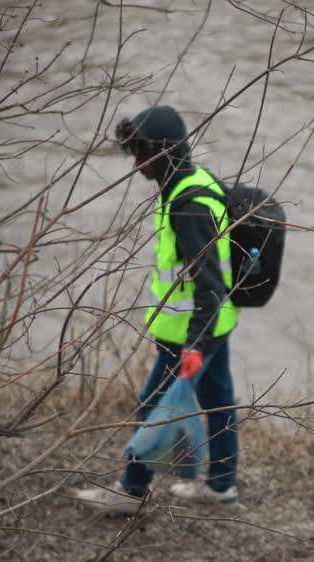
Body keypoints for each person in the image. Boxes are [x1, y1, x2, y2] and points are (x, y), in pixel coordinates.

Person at [73, 105, 241, 514]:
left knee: (152, 406)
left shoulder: (188, 205)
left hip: (189, 332)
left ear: (164, 152)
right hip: (213, 324)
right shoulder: (194, 182)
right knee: (218, 401)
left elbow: (208, 282)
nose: (137, 164)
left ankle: (131, 492)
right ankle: (221, 486)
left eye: (142, 154)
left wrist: (195, 345)